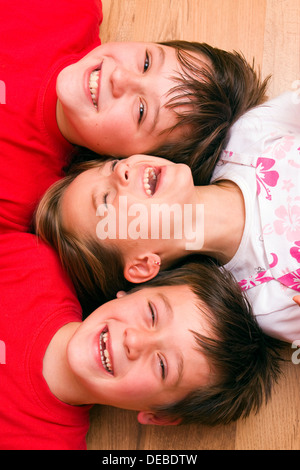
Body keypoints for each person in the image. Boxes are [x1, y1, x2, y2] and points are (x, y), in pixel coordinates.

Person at [35, 90, 300, 344]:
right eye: (105, 200)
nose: (122, 171)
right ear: (142, 265)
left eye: (113, 165)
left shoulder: (250, 137)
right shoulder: (268, 303)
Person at [0, 0, 269, 233]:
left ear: (131, 160)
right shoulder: (68, 10)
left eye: (141, 111)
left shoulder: (20, 200)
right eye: (147, 62)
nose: (120, 77)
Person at [0, 232, 283, 449]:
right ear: (130, 291)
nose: (133, 341)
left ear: (159, 415)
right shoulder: (31, 261)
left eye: (162, 366)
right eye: (151, 313)